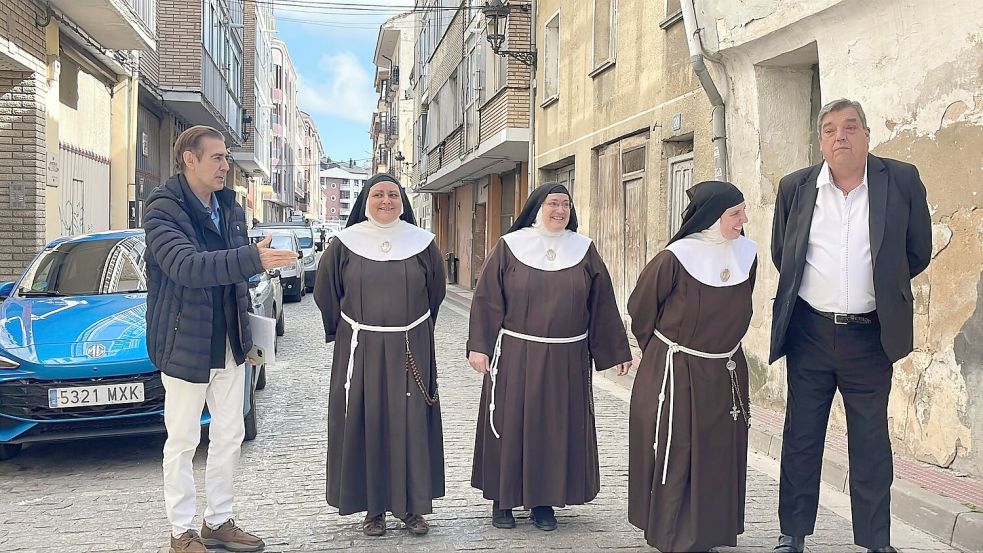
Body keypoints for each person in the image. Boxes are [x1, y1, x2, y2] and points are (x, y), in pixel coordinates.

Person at [770, 99, 932, 553]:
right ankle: (793, 534)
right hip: (810, 333)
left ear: (866, 133)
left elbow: (916, 251)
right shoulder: (796, 187)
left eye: (850, 127)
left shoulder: (899, 180)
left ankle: (876, 541)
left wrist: (877, 286)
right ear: (820, 141)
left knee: (871, 443)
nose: (839, 136)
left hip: (870, 336)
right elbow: (784, 253)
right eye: (829, 130)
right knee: (801, 437)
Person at [144, 125, 298, 553]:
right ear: (189, 159)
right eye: (217, 157)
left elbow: (235, 283)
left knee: (229, 434)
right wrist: (252, 256)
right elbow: (187, 267)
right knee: (182, 440)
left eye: (227, 157)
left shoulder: (229, 206)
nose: (225, 166)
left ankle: (218, 520)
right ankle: (181, 532)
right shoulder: (162, 208)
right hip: (184, 342)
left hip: (230, 343)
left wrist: (250, 337)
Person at [467, 182, 632, 532]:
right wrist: (480, 346)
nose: (560, 210)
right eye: (553, 203)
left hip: (566, 359)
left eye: (566, 205)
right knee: (512, 425)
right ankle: (503, 499)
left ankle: (544, 502)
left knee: (555, 428)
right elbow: (487, 299)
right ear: (537, 207)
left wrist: (616, 349)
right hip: (516, 353)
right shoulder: (510, 247)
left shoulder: (584, 250)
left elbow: (601, 303)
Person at [626, 180, 757, 552]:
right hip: (677, 369)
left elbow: (741, 305)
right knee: (679, 448)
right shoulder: (675, 257)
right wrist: (659, 354)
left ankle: (709, 533)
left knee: (718, 451)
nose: (743, 220)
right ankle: (672, 533)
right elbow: (641, 308)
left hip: (726, 370)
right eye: (735, 213)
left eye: (743, 211)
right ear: (713, 218)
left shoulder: (748, 254)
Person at [314, 174, 446, 537]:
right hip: (361, 347)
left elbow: (436, 291)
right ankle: (372, 509)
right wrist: (341, 331)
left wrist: (416, 329)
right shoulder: (344, 244)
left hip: (409, 346)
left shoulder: (422, 244)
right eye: (377, 195)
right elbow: (326, 292)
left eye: (392, 194)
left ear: (402, 199)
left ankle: (412, 506)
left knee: (411, 423)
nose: (385, 201)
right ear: (365, 201)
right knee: (365, 421)